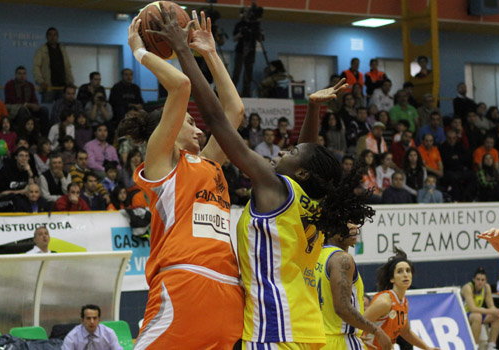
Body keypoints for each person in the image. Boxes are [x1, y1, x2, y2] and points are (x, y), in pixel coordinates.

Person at [168, 9, 374, 349]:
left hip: (273, 334)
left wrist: (184, 52)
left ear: (302, 173)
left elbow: (218, 121)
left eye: (288, 155)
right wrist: (312, 108)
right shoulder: (316, 204)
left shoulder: (276, 188)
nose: (280, 152)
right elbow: (307, 153)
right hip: (308, 333)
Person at [121, 12, 244, 349]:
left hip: (229, 288)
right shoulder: (160, 162)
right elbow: (181, 86)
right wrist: (138, 50)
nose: (198, 128)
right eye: (189, 121)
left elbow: (233, 111)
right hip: (184, 281)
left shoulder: (208, 164)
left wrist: (212, 54)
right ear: (170, 127)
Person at [316, 223, 392, 350]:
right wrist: (377, 331)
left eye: (354, 221)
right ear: (330, 227)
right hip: (340, 341)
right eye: (346, 222)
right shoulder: (342, 259)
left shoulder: (317, 255)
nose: (353, 227)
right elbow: (342, 308)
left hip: (320, 340)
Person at [362, 249, 438, 350]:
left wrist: (428, 348)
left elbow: (406, 332)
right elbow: (358, 323)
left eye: (408, 271)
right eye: (400, 272)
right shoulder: (385, 302)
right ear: (392, 279)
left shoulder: (404, 303)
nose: (405, 274)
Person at [461, 267, 499, 350]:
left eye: (482, 280)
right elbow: (472, 308)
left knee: (497, 316)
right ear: (473, 279)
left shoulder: (486, 287)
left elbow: (491, 306)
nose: (480, 282)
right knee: (477, 316)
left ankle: (491, 346)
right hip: (464, 314)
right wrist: (492, 311)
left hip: (477, 313)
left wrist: (496, 311)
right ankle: (474, 346)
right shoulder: (468, 287)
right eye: (478, 279)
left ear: (486, 281)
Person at [33, 27, 74, 103]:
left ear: (57, 37)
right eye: (50, 35)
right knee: (47, 109)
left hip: (62, 85)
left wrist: (70, 81)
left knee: (63, 110)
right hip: (48, 86)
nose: (52, 37)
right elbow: (36, 67)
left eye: (55, 35)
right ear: (47, 37)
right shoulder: (41, 50)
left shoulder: (62, 50)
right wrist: (41, 82)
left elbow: (67, 67)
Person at [4, 66, 49, 130]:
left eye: (24, 73)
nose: (22, 76)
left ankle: (44, 134)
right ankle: (21, 133)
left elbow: (34, 99)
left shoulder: (30, 85)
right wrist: (27, 104)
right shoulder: (9, 85)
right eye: (20, 74)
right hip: (14, 108)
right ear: (15, 75)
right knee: (22, 110)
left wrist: (35, 105)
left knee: (44, 110)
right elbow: (12, 100)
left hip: (29, 107)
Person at [439, 129, 474, 202]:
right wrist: (457, 158)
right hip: (448, 171)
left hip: (460, 170)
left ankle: (467, 196)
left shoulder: (460, 146)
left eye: (454, 138)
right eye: (449, 138)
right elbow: (445, 161)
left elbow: (467, 158)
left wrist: (456, 158)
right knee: (453, 177)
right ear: (446, 138)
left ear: (456, 138)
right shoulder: (442, 147)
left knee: (472, 175)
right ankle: (457, 199)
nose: (452, 140)